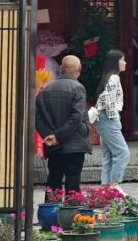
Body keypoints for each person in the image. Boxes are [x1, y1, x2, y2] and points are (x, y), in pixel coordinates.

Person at [36, 55, 92, 195]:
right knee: (72, 181)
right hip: (74, 143)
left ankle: (50, 208)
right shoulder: (77, 87)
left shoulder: (46, 89)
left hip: (53, 145)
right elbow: (76, 117)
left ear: (61, 68)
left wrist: (49, 135)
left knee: (53, 180)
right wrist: (57, 136)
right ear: (79, 69)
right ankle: (71, 208)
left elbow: (38, 117)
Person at [93, 49, 131, 189]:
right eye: (122, 60)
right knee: (122, 152)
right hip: (108, 118)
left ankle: (105, 187)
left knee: (108, 155)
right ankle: (114, 185)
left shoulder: (108, 77)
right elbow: (106, 98)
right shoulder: (114, 78)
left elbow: (102, 97)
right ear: (116, 62)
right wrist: (113, 116)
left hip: (103, 119)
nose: (125, 63)